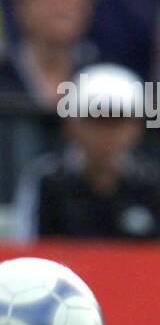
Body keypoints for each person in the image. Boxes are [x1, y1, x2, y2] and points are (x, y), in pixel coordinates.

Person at [14, 64, 160, 240]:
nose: (107, 133)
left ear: (137, 128)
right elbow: (28, 247)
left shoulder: (152, 183)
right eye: (96, 121)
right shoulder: (47, 180)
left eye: (118, 122)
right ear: (72, 125)